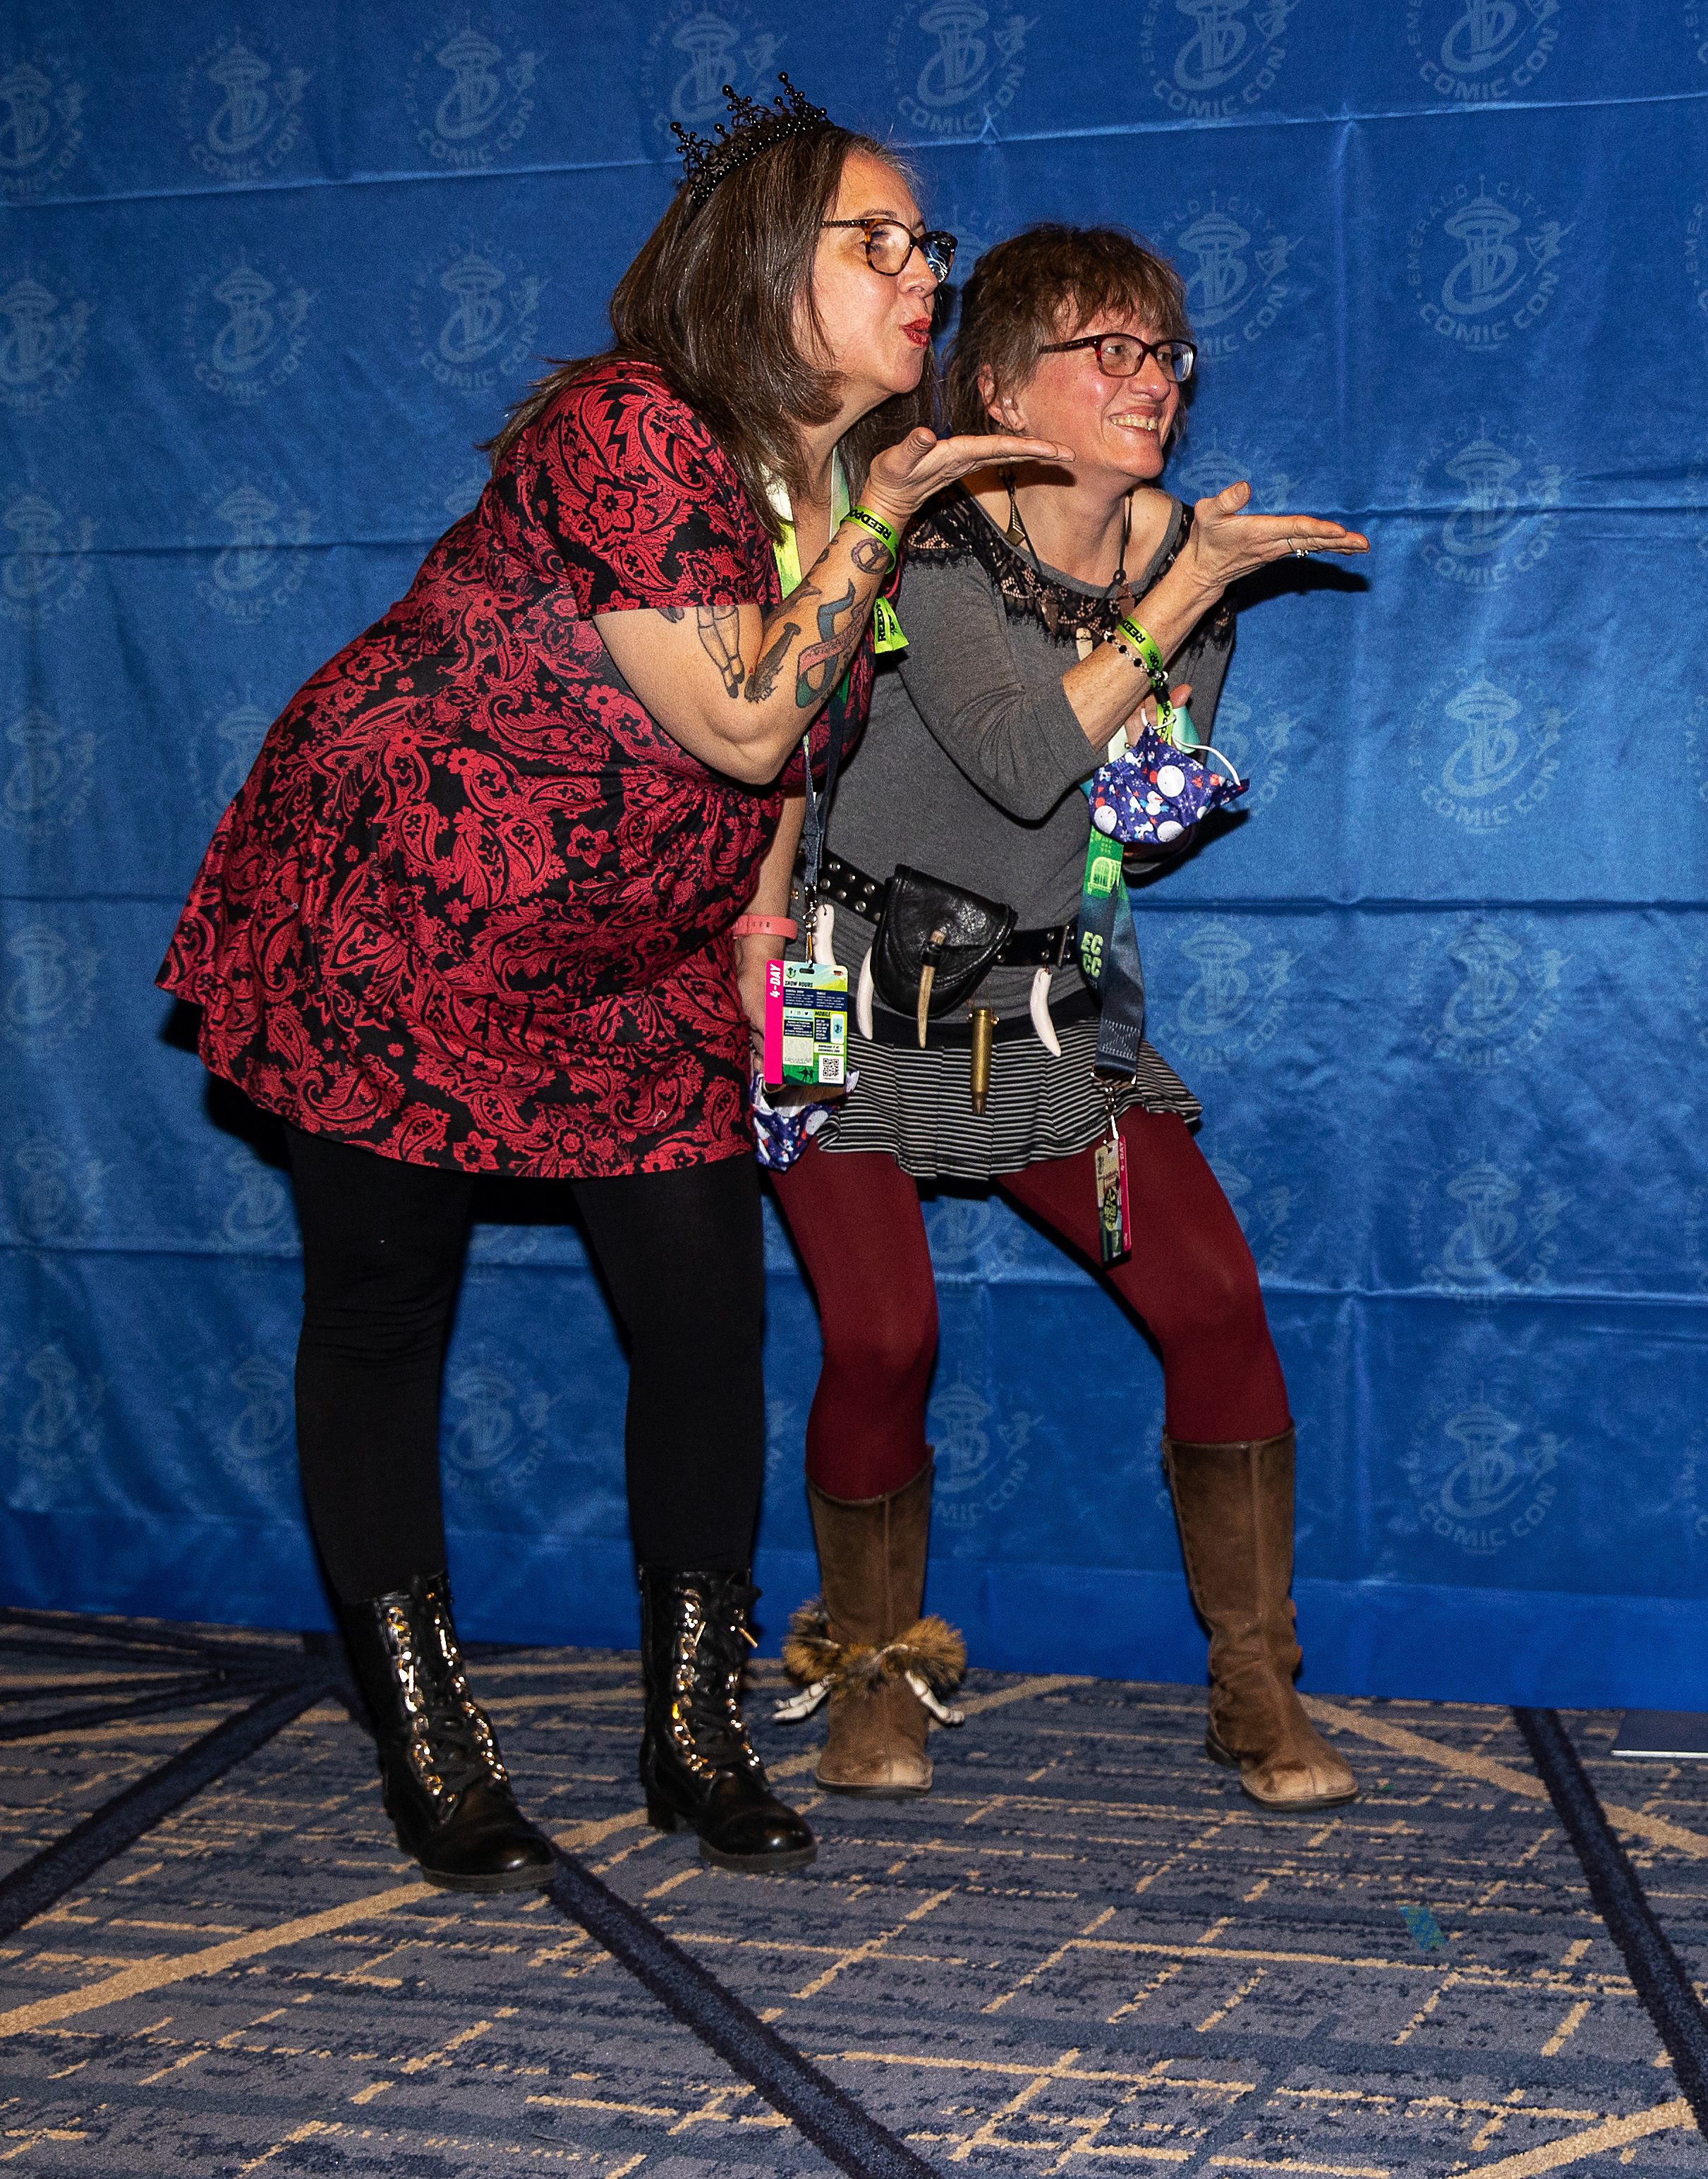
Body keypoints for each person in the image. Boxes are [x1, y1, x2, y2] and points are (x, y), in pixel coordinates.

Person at [157, 80, 1058, 1891]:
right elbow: (737, 710)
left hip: (629, 954)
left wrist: (755, 916)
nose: (921, 277)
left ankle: (695, 1731)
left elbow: (791, 764)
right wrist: (877, 515)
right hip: (405, 901)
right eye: (875, 241)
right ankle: (426, 1733)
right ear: (756, 268)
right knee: (382, 1307)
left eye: (927, 245)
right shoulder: (626, 431)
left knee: (705, 1321)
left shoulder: (823, 491)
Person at [761, 223, 1370, 1811]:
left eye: (1165, 351)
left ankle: (1255, 1690)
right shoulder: (932, 544)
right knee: (882, 1332)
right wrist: (1179, 601)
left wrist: (1182, 606)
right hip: (840, 997)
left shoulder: (1185, 556)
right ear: (998, 386)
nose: (1151, 379)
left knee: (1219, 1306)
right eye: (1106, 349)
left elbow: (1143, 810)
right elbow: (1025, 755)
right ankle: (872, 1680)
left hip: (1042, 1008)